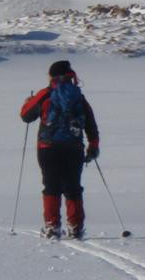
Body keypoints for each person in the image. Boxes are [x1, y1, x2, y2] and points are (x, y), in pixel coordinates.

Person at [20, 60, 99, 239]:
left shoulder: (46, 94)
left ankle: (52, 226)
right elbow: (91, 124)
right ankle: (76, 227)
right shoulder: (79, 97)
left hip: (48, 148)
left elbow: (25, 116)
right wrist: (93, 146)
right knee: (73, 187)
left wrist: (28, 101)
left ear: (52, 76)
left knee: (51, 186)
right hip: (74, 147)